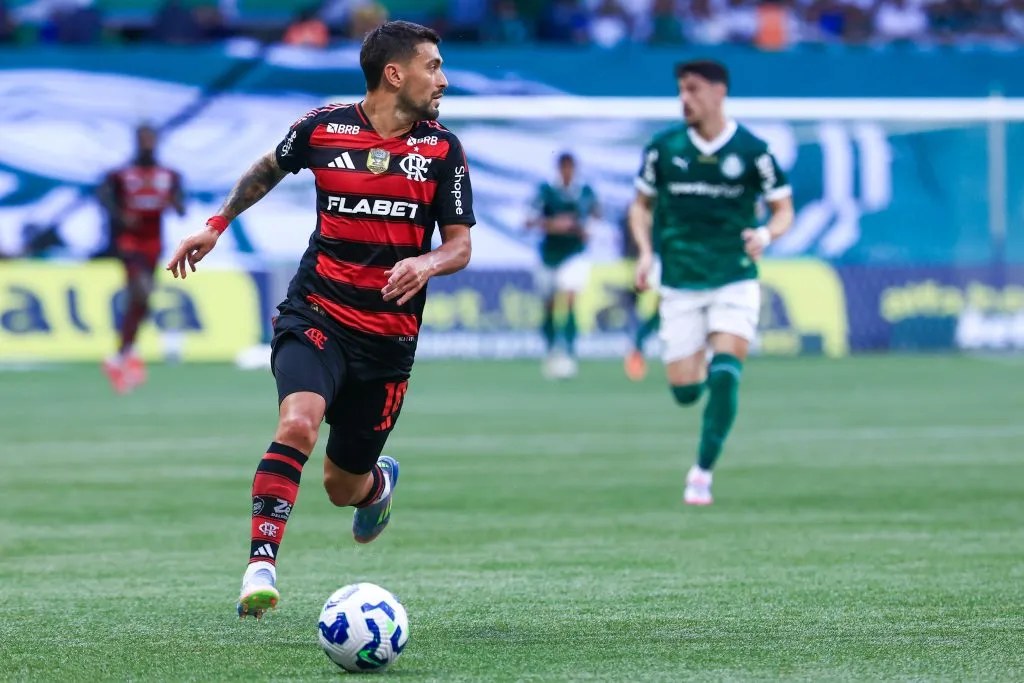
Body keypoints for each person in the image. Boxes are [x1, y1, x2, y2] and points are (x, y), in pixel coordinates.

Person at [165, 20, 474, 619]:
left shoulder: (442, 149)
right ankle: (261, 563)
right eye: (432, 66)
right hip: (317, 314)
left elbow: (459, 245)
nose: (443, 78)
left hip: (386, 342)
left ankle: (376, 485)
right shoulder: (323, 127)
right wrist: (215, 224)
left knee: (341, 486)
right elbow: (267, 168)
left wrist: (427, 263)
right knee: (299, 423)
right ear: (395, 73)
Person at [629, 59, 794, 505]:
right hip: (680, 281)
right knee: (685, 392)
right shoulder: (663, 149)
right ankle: (698, 364)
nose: (686, 98)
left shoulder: (753, 150)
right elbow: (640, 207)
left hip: (734, 278)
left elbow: (783, 209)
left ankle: (701, 472)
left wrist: (765, 234)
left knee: (724, 374)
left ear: (719, 93)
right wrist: (646, 253)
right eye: (681, 90)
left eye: (694, 90)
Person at [97, 123, 186, 393]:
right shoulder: (120, 174)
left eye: (151, 138)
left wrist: (174, 202)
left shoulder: (169, 174)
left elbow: (181, 206)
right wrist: (120, 217)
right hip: (129, 243)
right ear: (136, 140)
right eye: (143, 138)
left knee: (142, 301)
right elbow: (104, 198)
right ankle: (125, 353)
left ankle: (122, 354)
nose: (147, 143)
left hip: (154, 243)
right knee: (142, 292)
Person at [527, 152, 598, 379]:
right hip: (549, 255)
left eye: (571, 168)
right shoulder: (546, 191)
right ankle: (550, 349)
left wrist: (587, 228)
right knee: (548, 304)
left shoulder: (585, 192)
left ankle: (567, 351)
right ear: (559, 169)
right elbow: (528, 220)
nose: (567, 172)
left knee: (569, 298)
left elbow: (596, 216)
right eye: (564, 168)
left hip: (574, 254)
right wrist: (553, 224)